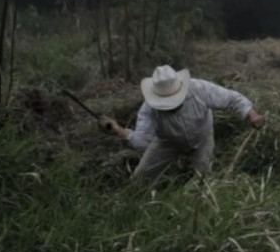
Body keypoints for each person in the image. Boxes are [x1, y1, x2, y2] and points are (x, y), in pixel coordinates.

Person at [99, 65, 266, 179]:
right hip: (168, 141)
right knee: (140, 177)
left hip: (202, 138)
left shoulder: (200, 89)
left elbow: (232, 99)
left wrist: (253, 116)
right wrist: (118, 130)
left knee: (203, 180)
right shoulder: (148, 108)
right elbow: (142, 141)